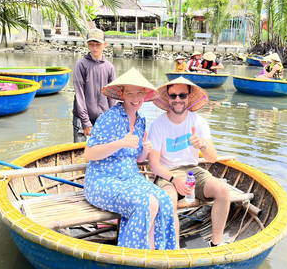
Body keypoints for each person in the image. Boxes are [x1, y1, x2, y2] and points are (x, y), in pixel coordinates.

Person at [83, 68, 177, 250]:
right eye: (130, 93)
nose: (135, 99)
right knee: (146, 203)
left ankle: (152, 252)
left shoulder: (141, 120)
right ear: (121, 94)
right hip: (103, 180)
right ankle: (131, 254)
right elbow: (89, 154)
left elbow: (136, 159)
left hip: (131, 178)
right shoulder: (110, 117)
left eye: (139, 93)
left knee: (164, 200)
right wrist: (120, 143)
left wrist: (145, 151)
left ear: (145, 94)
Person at [147, 77, 230, 248]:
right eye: (173, 96)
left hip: (193, 171)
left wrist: (202, 145)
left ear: (189, 97)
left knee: (222, 190)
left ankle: (216, 243)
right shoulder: (158, 125)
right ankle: (174, 248)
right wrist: (174, 180)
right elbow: (154, 164)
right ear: (168, 98)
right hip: (168, 173)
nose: (177, 100)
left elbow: (212, 158)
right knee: (169, 198)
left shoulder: (198, 121)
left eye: (182, 95)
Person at [72, 28, 116, 143]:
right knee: (79, 151)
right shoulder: (80, 64)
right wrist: (85, 121)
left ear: (104, 45)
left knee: (101, 150)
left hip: (103, 118)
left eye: (98, 44)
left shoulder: (109, 67)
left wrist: (112, 118)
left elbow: (112, 96)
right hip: (81, 118)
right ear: (87, 44)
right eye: (91, 44)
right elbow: (79, 94)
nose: (94, 48)